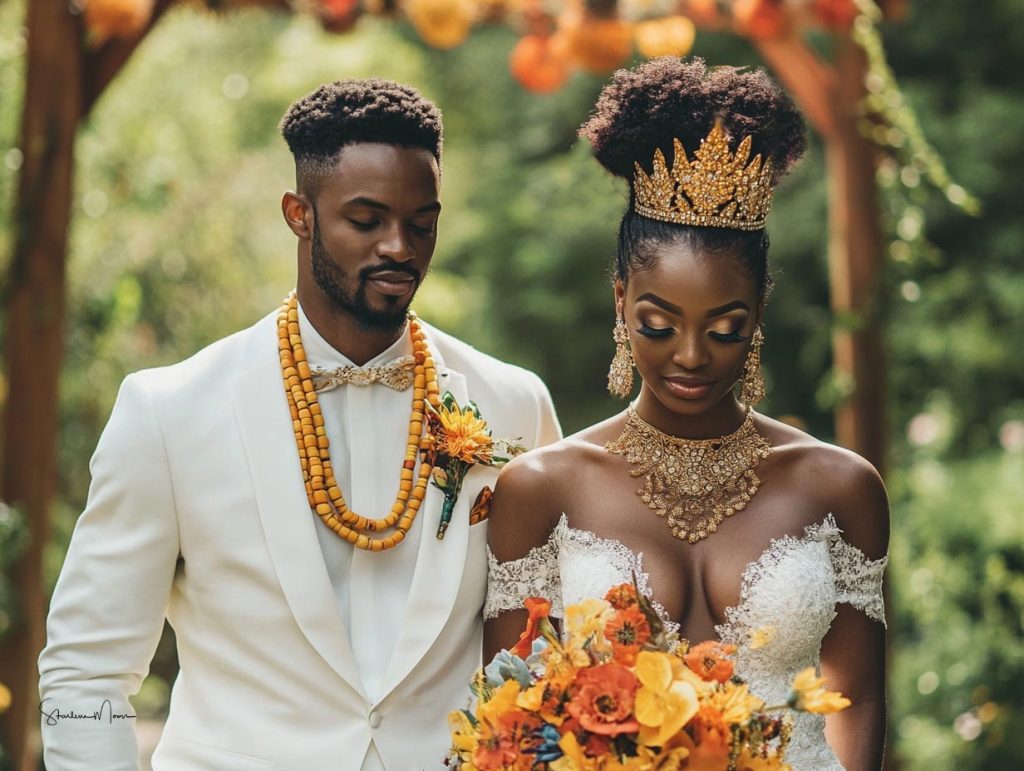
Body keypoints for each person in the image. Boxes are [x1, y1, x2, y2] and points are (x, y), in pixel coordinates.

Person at [39, 78, 561, 771]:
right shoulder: (168, 412)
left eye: (421, 222)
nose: (400, 248)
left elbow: (549, 646)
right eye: (367, 220)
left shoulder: (512, 404)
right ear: (299, 214)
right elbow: (86, 669)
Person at [484, 58, 888, 771]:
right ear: (619, 303)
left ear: (759, 310)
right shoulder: (541, 488)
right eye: (658, 323)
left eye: (725, 326)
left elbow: (855, 697)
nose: (692, 355)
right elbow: (509, 727)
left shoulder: (839, 487)